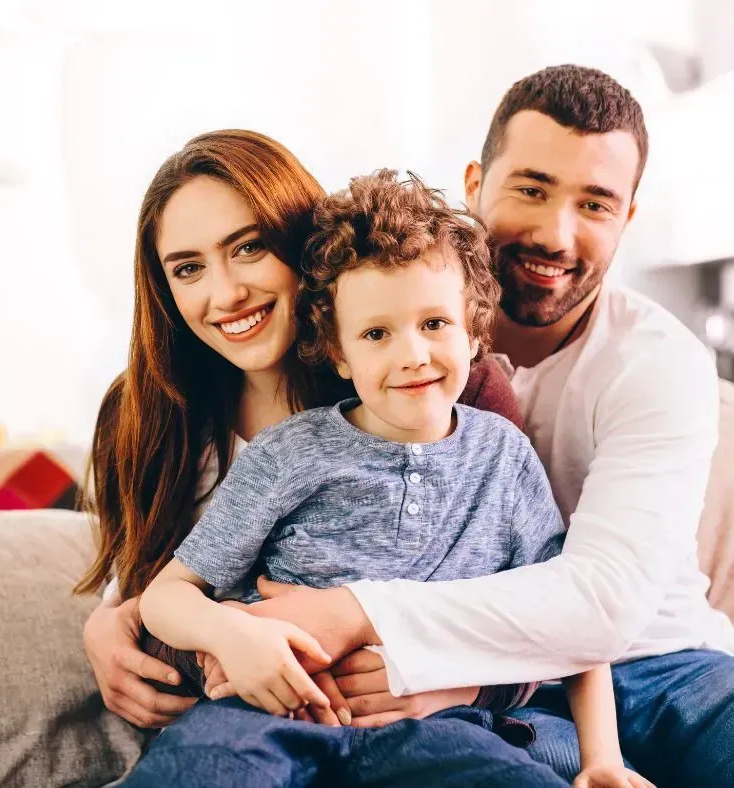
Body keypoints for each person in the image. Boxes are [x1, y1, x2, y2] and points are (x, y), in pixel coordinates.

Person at [204, 66, 734, 787]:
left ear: (628, 219)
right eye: (532, 189)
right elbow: (230, 515)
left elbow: (603, 602)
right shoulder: (377, 342)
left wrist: (363, 614)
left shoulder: (658, 362)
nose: (556, 233)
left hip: (665, 663)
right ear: (475, 183)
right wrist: (126, 611)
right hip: (511, 696)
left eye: (595, 204)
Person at [124, 170, 652, 788]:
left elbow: (568, 621)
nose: (412, 356)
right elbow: (166, 595)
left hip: (435, 724)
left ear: (474, 330)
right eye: (376, 334)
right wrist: (233, 637)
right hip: (265, 714)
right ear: (339, 354)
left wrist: (602, 761)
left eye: (435, 324)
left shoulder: (504, 457)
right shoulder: (287, 453)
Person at [75, 129, 522, 733]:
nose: (226, 294)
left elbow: (537, 595)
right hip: (241, 727)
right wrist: (111, 619)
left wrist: (463, 682)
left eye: (249, 248)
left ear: (302, 243)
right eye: (188, 268)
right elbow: (152, 580)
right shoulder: (141, 414)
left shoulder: (444, 389)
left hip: (411, 728)